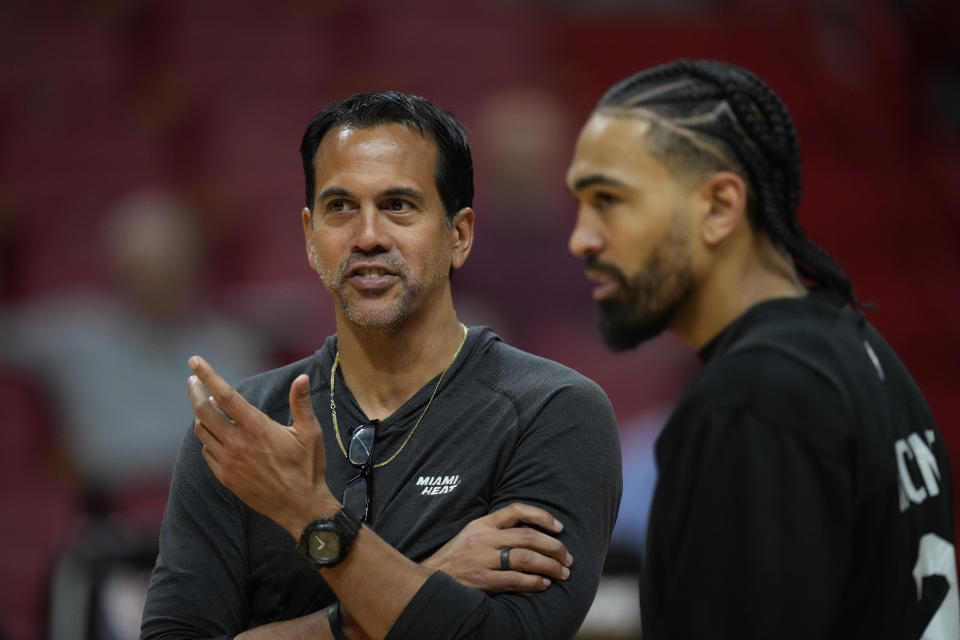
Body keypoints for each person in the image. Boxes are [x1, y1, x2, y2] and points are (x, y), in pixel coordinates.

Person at [141, 90, 622, 640]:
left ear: (459, 235)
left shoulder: (553, 412)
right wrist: (432, 578)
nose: (367, 237)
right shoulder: (243, 431)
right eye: (340, 207)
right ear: (310, 238)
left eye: (398, 206)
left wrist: (309, 514)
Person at [565, 59, 958, 639]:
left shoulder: (754, 398)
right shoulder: (858, 350)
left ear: (721, 206)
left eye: (609, 200)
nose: (581, 238)